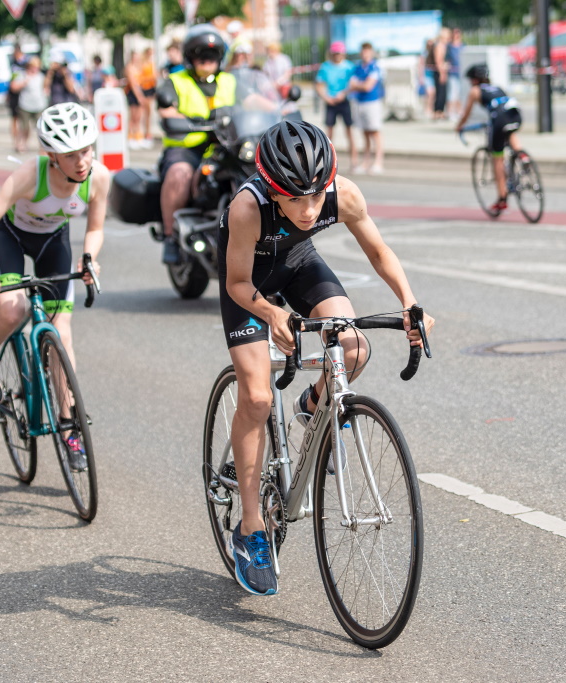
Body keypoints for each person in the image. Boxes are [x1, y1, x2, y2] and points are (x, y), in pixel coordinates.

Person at [217, 120, 433, 595]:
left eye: (316, 195)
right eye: (295, 199)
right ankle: (251, 528)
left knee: (354, 346)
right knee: (255, 397)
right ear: (273, 190)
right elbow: (236, 283)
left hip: (297, 265)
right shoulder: (247, 209)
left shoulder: (343, 195)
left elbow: (378, 251)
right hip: (249, 286)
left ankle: (314, 404)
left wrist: (409, 302)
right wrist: (271, 313)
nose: (310, 209)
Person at [0, 103, 107, 470]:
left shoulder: (99, 177)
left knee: (61, 335)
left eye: (86, 150)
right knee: (13, 308)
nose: (81, 161)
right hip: (9, 238)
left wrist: (89, 259)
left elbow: (94, 228)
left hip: (52, 241)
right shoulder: (30, 175)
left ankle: (68, 428)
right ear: (51, 156)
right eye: (70, 154)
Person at [154, 24, 237, 265]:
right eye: (201, 55)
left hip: (227, 146)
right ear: (190, 58)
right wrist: (192, 120)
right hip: (187, 147)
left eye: (212, 55)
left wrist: (279, 106)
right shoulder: (175, 80)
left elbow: (254, 98)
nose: (207, 60)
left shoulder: (231, 80)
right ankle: (170, 236)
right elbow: (166, 110)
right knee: (179, 174)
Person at [456, 64, 524, 213]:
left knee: (497, 159)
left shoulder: (475, 91)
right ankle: (522, 157)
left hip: (498, 119)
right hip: (515, 113)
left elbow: (466, 114)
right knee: (510, 131)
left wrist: (459, 126)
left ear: (474, 80)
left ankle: (502, 198)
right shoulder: (497, 88)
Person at [315, 41, 357, 171]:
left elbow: (354, 84)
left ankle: (354, 161)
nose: (337, 55)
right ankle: (328, 162)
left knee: (349, 132)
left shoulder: (349, 67)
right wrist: (326, 98)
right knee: (329, 133)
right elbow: (319, 85)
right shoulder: (325, 67)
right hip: (331, 101)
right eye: (335, 53)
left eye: (339, 53)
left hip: (344, 101)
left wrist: (344, 93)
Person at [349, 42, 385, 174]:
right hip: (360, 102)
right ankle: (365, 162)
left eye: (367, 51)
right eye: (363, 51)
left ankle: (378, 162)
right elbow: (352, 84)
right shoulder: (358, 67)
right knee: (365, 133)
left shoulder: (374, 67)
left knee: (375, 132)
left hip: (372, 102)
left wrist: (358, 85)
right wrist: (360, 84)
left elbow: (368, 86)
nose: (365, 54)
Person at [12, 56, 48, 153]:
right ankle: (22, 144)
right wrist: (24, 82)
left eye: (37, 66)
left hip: (39, 105)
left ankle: (43, 147)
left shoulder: (41, 76)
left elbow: (45, 88)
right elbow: (13, 87)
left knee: (41, 128)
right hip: (25, 105)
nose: (35, 68)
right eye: (33, 66)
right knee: (24, 127)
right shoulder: (22, 75)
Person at [124, 50, 149, 149]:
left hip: (139, 92)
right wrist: (139, 96)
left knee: (139, 117)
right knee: (133, 117)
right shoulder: (129, 68)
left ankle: (138, 137)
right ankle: (131, 137)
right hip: (132, 94)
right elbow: (133, 84)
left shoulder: (138, 67)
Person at [7, 45, 28, 152]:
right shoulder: (13, 64)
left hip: (25, 94)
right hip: (15, 95)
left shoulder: (26, 63)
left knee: (24, 121)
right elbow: (12, 81)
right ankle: (17, 142)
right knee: (15, 119)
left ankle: (22, 142)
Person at [432, 28, 451, 119]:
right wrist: (442, 73)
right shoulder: (440, 46)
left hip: (441, 71)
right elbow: (439, 61)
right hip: (440, 72)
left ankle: (440, 111)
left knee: (441, 92)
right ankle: (438, 111)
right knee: (441, 93)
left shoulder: (441, 45)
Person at [447, 28, 464, 120]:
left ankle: (459, 111)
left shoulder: (463, 46)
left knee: (460, 94)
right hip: (453, 73)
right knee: (452, 93)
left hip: (461, 73)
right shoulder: (449, 47)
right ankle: (450, 112)